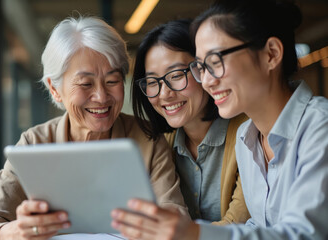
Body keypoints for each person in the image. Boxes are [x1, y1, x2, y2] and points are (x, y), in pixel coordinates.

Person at [111, 0, 328, 239]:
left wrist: (195, 233)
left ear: (271, 54)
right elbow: (258, 227)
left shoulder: (320, 128)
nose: (206, 81)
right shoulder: (249, 138)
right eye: (202, 68)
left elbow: (305, 234)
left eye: (216, 62)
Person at [0, 16, 187, 240]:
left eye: (112, 81)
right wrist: (16, 231)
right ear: (54, 88)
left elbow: (176, 216)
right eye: (85, 84)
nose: (101, 97)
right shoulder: (35, 144)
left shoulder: (147, 138)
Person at [130, 19, 249, 224]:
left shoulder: (249, 133)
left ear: (203, 69)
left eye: (176, 75)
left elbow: (238, 223)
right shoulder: (159, 145)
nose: (165, 93)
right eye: (152, 82)